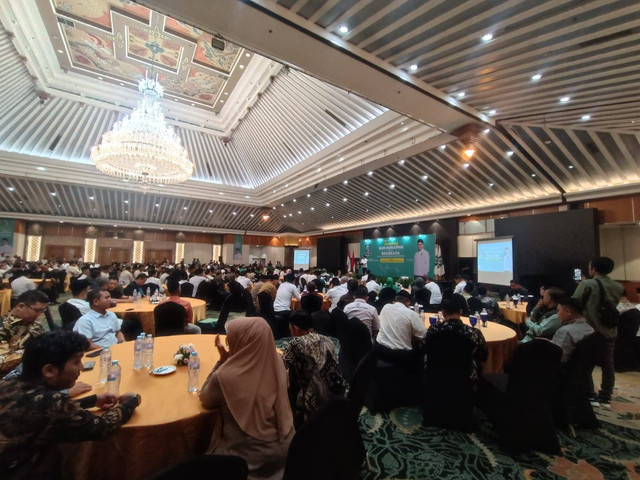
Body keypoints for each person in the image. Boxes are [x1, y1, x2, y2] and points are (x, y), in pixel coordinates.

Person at [0, 330, 140, 478]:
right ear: (49, 371)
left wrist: (92, 400)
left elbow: (38, 410)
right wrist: (130, 403)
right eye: (76, 361)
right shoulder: (51, 402)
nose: (81, 367)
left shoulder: (8, 384)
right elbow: (101, 427)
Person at [200, 318, 294, 480]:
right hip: (287, 450)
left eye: (231, 342)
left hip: (247, 462)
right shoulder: (277, 362)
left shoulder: (226, 376)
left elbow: (205, 398)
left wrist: (222, 361)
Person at [572, 256, 624, 407]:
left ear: (593, 269)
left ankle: (590, 394)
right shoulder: (618, 286)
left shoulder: (587, 284)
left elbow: (575, 302)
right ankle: (606, 396)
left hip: (590, 329)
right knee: (608, 364)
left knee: (585, 363)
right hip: (609, 329)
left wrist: (581, 285)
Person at [282, 310, 345, 427]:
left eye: (290, 329)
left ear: (295, 328)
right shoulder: (328, 339)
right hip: (336, 396)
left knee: (285, 381)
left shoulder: (295, 343)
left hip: (313, 402)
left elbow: (282, 366)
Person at [425, 298, 488, 380]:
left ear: (443, 313)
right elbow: (483, 355)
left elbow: (425, 347)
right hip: (465, 374)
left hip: (435, 370)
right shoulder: (473, 332)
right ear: (460, 311)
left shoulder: (434, 329)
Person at [376, 290, 426, 363]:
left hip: (380, 350)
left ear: (395, 300)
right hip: (401, 355)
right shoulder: (411, 314)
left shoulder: (385, 307)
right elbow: (422, 334)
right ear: (408, 303)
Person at [1, 290, 49, 354]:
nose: (40, 315)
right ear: (21, 306)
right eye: (37, 310)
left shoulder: (36, 325)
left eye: (43, 311)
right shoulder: (3, 327)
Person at [551, 297, 594, 363]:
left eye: (558, 310)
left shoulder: (566, 331)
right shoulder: (590, 329)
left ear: (568, 312)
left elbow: (557, 359)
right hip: (581, 370)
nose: (557, 314)